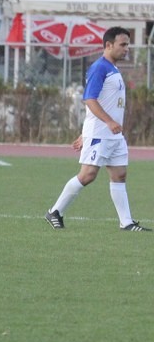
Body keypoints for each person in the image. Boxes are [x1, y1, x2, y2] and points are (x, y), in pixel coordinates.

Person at [45, 27, 149, 232]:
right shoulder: (99, 68)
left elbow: (104, 101)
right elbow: (90, 99)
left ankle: (126, 222)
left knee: (119, 175)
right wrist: (105, 124)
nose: (126, 49)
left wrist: (88, 131)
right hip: (101, 134)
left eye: (127, 44)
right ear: (108, 45)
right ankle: (55, 211)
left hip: (114, 136)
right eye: (123, 44)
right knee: (88, 175)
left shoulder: (113, 69)